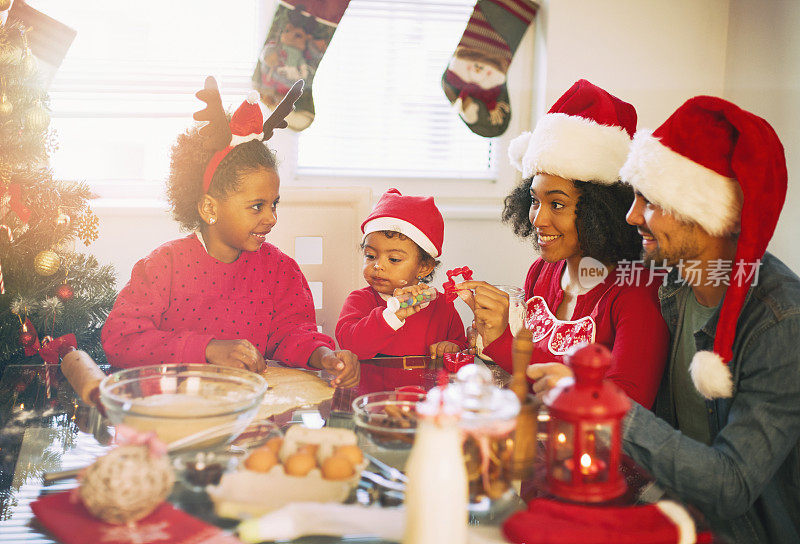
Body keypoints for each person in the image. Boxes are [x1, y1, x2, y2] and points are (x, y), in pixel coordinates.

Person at [615, 96, 800, 543]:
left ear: (710, 213)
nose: (632, 215)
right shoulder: (674, 282)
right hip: (674, 505)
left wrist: (612, 412)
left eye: (652, 201)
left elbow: (732, 486)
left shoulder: (781, 322)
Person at [101, 78, 359, 388]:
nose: (271, 218)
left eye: (274, 205)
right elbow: (122, 340)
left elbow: (293, 334)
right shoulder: (163, 266)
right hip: (178, 415)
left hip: (253, 420)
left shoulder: (281, 270)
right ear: (210, 208)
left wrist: (324, 356)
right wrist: (207, 349)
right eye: (256, 206)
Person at [458, 79, 669, 408]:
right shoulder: (542, 272)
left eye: (557, 204)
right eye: (533, 200)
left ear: (601, 209)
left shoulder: (636, 290)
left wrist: (509, 342)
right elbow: (530, 379)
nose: (538, 219)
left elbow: (632, 406)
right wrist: (495, 335)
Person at [335, 188, 467, 359]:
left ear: (424, 267)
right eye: (370, 256)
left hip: (426, 387)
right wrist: (392, 315)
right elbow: (352, 348)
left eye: (394, 259)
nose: (378, 265)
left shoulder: (443, 308)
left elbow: (461, 345)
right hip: (377, 386)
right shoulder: (359, 301)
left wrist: (451, 347)